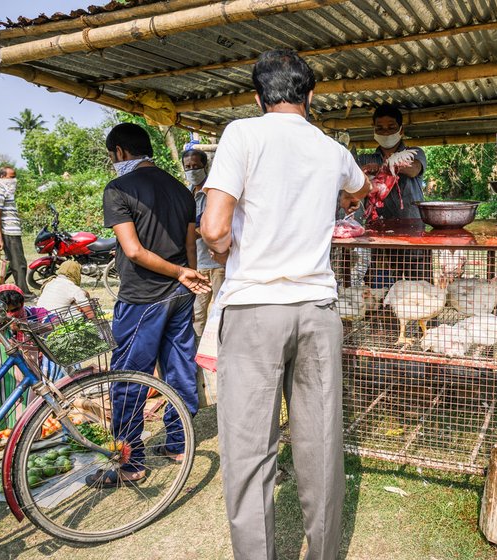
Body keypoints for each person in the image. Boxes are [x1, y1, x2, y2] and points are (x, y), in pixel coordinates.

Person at [201, 49, 370, 560]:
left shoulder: (242, 134)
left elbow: (213, 227)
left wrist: (223, 249)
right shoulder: (332, 149)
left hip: (255, 309)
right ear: (309, 96)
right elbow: (359, 191)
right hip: (318, 310)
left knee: (250, 452)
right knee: (320, 446)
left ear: (259, 96)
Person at [87, 123, 211, 488]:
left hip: (143, 298)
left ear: (120, 153)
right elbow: (190, 246)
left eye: (113, 156)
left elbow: (133, 251)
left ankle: (129, 460)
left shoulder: (118, 189)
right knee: (179, 369)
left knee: (129, 377)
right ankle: (178, 443)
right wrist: (187, 275)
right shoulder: (179, 188)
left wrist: (179, 274)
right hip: (179, 293)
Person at [182, 148, 225, 338]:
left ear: (205, 166)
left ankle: (221, 352)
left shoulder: (214, 193)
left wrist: (190, 232)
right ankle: (196, 356)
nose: (192, 170)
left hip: (218, 264)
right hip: (197, 264)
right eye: (188, 167)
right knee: (197, 314)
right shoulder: (187, 194)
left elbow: (212, 224)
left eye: (196, 166)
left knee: (222, 311)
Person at [357, 103, 426, 220]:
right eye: (379, 128)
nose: (385, 132)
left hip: (411, 224)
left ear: (401, 130)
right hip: (375, 225)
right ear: (374, 130)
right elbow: (353, 183)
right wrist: (363, 172)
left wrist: (388, 166)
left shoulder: (414, 153)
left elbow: (414, 169)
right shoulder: (364, 159)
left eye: (391, 127)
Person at [0, 167, 36, 299]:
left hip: (12, 231)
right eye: (12, 177)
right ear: (2, 177)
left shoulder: (5, 190)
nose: (14, 180)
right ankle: (24, 292)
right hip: (8, 232)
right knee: (19, 263)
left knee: (10, 265)